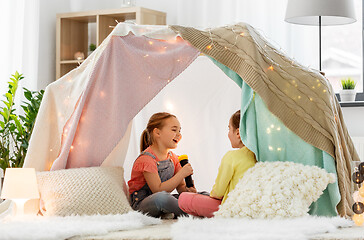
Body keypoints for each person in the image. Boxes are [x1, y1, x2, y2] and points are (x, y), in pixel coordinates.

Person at [178, 110, 256, 218]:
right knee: (202, 195)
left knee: (183, 198)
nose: (228, 133)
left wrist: (213, 195)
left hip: (231, 209)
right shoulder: (258, 155)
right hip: (252, 207)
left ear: (238, 133)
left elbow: (217, 193)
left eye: (229, 128)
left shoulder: (232, 156)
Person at [127, 112, 197, 218]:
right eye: (174, 130)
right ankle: (195, 212)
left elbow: (181, 187)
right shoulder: (146, 159)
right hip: (142, 204)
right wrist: (182, 173)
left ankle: (197, 207)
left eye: (179, 131)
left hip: (162, 201)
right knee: (162, 198)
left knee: (201, 195)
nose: (179, 135)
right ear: (157, 133)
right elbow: (158, 190)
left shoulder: (173, 158)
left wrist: (188, 191)